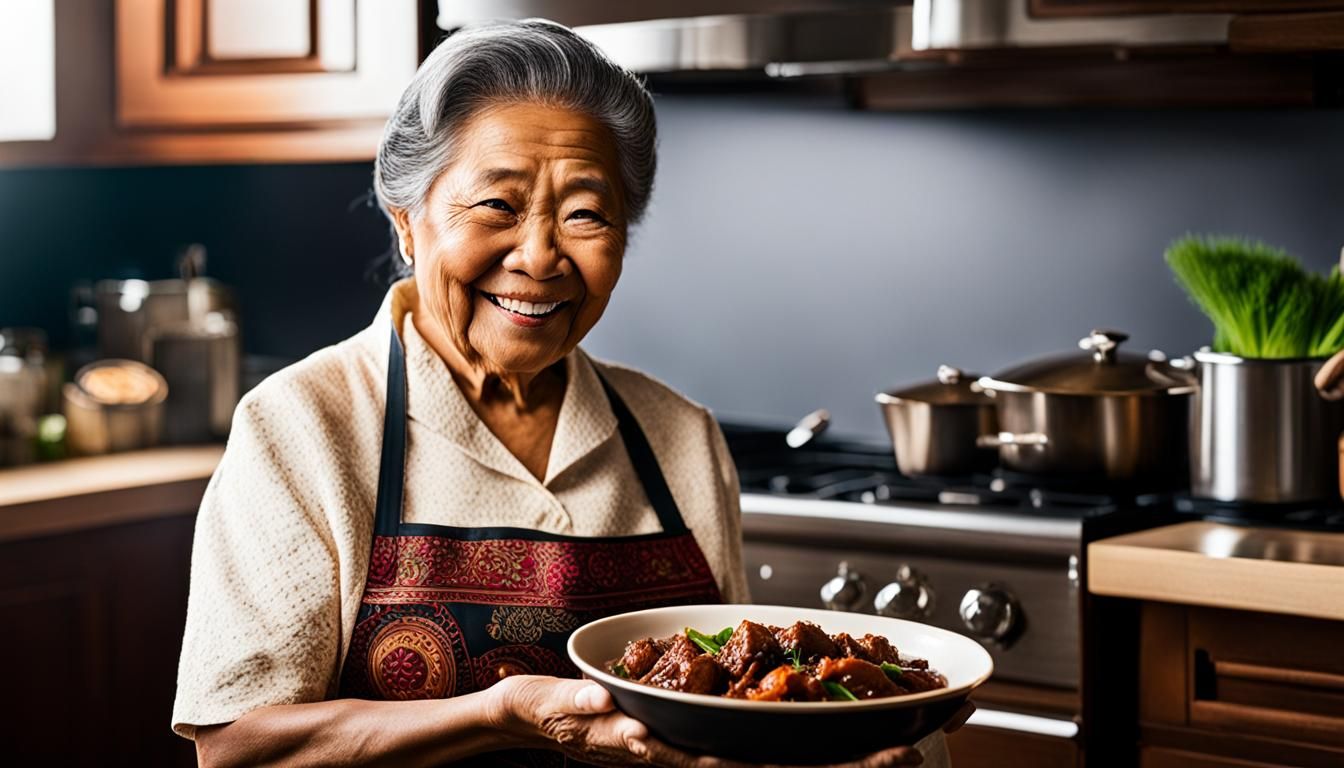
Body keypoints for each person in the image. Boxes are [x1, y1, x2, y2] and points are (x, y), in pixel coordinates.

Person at [172, 19, 964, 767]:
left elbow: (729, 717)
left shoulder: (676, 434)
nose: (541, 255)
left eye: (587, 214)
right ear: (408, 221)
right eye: (497, 206)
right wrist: (498, 712)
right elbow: (238, 747)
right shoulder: (304, 425)